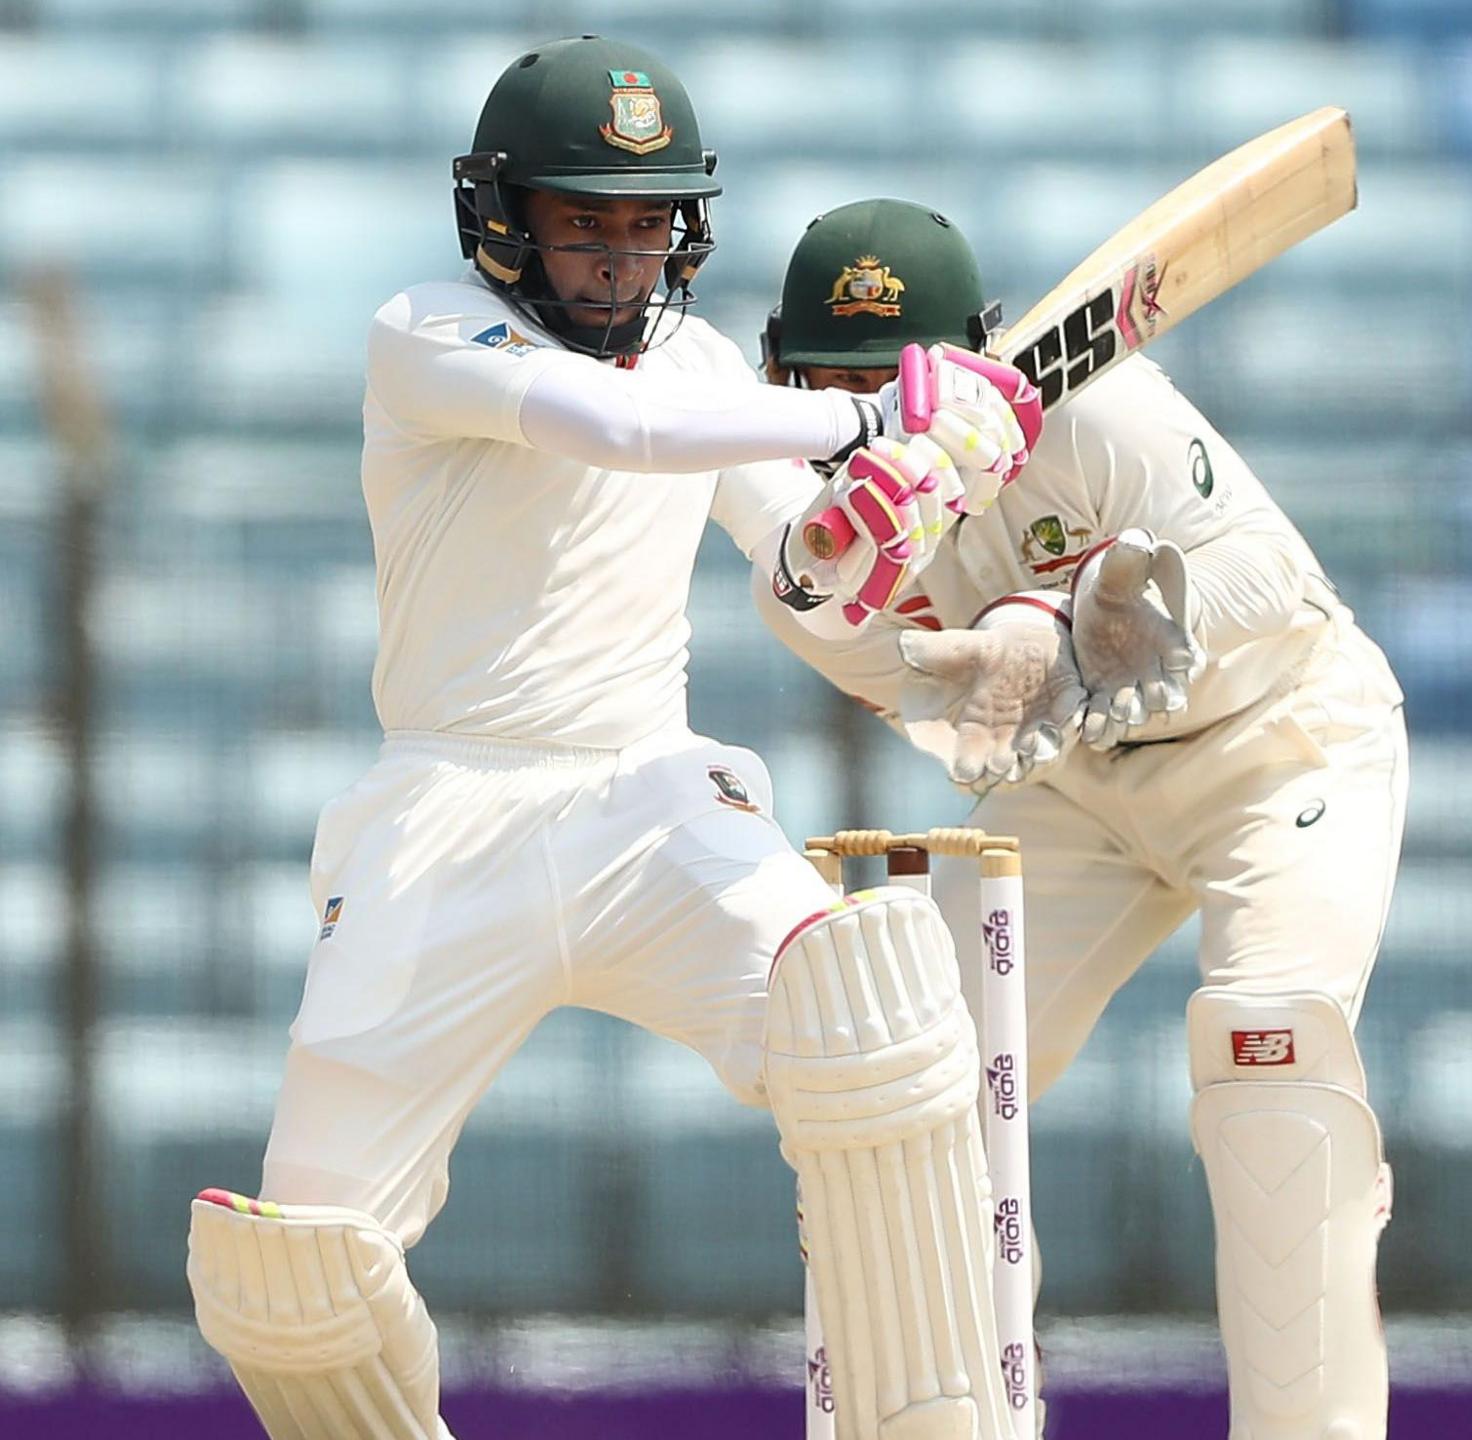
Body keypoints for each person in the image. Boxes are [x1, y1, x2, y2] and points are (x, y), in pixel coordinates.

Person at [181, 39, 1044, 1440]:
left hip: (650, 799)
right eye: (586, 221)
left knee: (873, 1023)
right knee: (293, 1275)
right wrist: (870, 415)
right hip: (445, 815)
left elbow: (803, 574)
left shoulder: (700, 364)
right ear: (503, 217)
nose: (620, 259)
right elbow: (614, 426)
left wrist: (902, 505)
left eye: (648, 226)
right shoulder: (427, 330)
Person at [754, 198, 1407, 1439]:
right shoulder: (808, 568)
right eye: (827, 387)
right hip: (1073, 784)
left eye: (887, 385)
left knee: (1266, 1040)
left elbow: (1275, 575)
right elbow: (957, 707)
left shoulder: (1096, 411)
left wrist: (1110, 603)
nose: (865, 423)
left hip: (1277, 741)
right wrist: (1015, 665)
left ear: (961, 368)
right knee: (911, 1072)